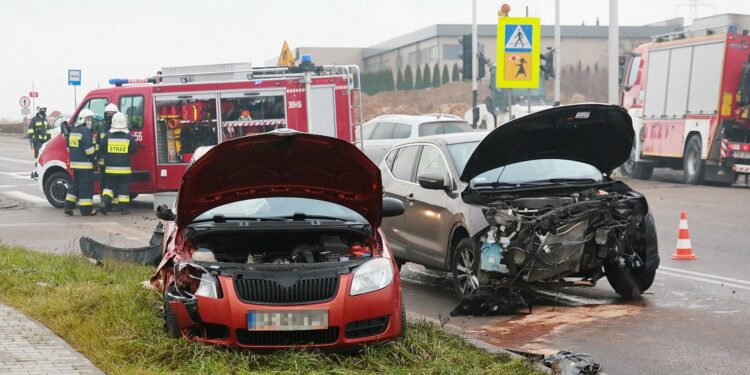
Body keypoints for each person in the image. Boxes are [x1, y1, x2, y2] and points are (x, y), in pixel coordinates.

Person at [99, 112, 136, 215]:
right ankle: (123, 209)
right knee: (123, 187)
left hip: (110, 168)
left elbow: (102, 148)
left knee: (109, 186)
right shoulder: (128, 136)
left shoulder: (107, 135)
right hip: (124, 169)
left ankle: (104, 203)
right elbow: (134, 149)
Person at [64, 109, 98, 216]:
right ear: (83, 119)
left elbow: (69, 147)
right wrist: (95, 157)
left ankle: (68, 207)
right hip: (85, 165)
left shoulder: (74, 130)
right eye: (89, 119)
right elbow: (89, 149)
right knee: (85, 188)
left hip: (75, 165)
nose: (90, 122)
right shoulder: (86, 131)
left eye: (91, 119)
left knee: (75, 186)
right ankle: (86, 210)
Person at [98, 103, 120, 209]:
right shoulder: (117, 128)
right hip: (111, 161)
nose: (110, 116)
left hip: (106, 161)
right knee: (112, 182)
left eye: (111, 114)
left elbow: (99, 144)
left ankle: (106, 203)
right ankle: (110, 203)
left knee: (107, 182)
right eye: (108, 114)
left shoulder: (102, 127)